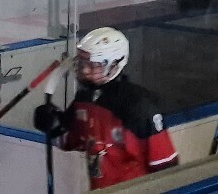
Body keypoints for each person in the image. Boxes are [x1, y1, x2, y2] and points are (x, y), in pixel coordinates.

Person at [34, 27, 178, 190]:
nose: (85, 70)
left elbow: (166, 168)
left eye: (93, 65)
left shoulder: (138, 106)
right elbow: (71, 141)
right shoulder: (85, 98)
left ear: (115, 64)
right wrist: (54, 126)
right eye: (82, 62)